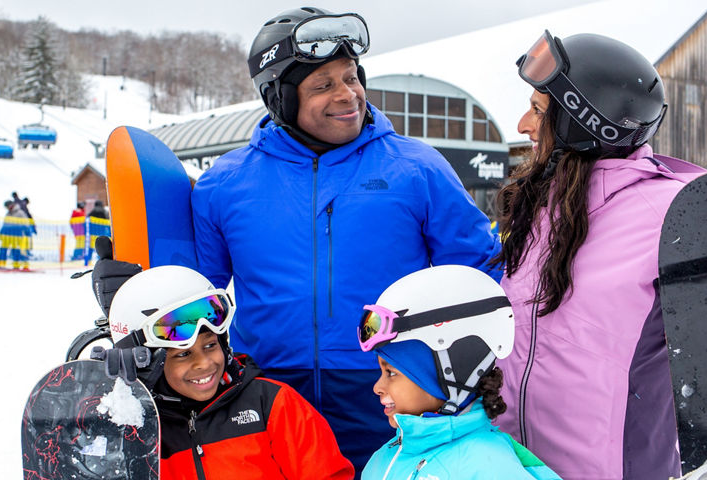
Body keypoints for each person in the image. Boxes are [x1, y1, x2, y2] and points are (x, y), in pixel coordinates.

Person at [186, 7, 500, 471]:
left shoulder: (416, 167)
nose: (347, 94)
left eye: (351, 77)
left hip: (387, 387)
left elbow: (479, 272)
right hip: (266, 391)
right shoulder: (226, 184)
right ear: (280, 97)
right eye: (323, 84)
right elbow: (197, 295)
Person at [492, 31, 707, 480]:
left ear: (581, 125)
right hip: (513, 466)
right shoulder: (540, 212)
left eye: (539, 110)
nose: (523, 125)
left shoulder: (672, 215)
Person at [94, 264, 355, 480]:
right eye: (183, 354)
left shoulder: (272, 405)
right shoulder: (137, 425)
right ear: (147, 362)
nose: (205, 364)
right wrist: (113, 404)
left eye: (210, 345)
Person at [358, 265, 560, 480]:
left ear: (449, 373)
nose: (377, 387)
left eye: (391, 373)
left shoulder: (488, 467)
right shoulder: (386, 457)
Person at [0, 199, 31, 269]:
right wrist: (1, 232)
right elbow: (5, 224)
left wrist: (19, 229)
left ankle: (16, 265)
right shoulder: (8, 214)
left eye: (8, 206)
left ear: (11, 205)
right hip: (7, 235)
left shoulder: (20, 213)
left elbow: (26, 223)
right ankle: (1, 264)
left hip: (16, 234)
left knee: (15, 250)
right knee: (3, 249)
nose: (7, 208)